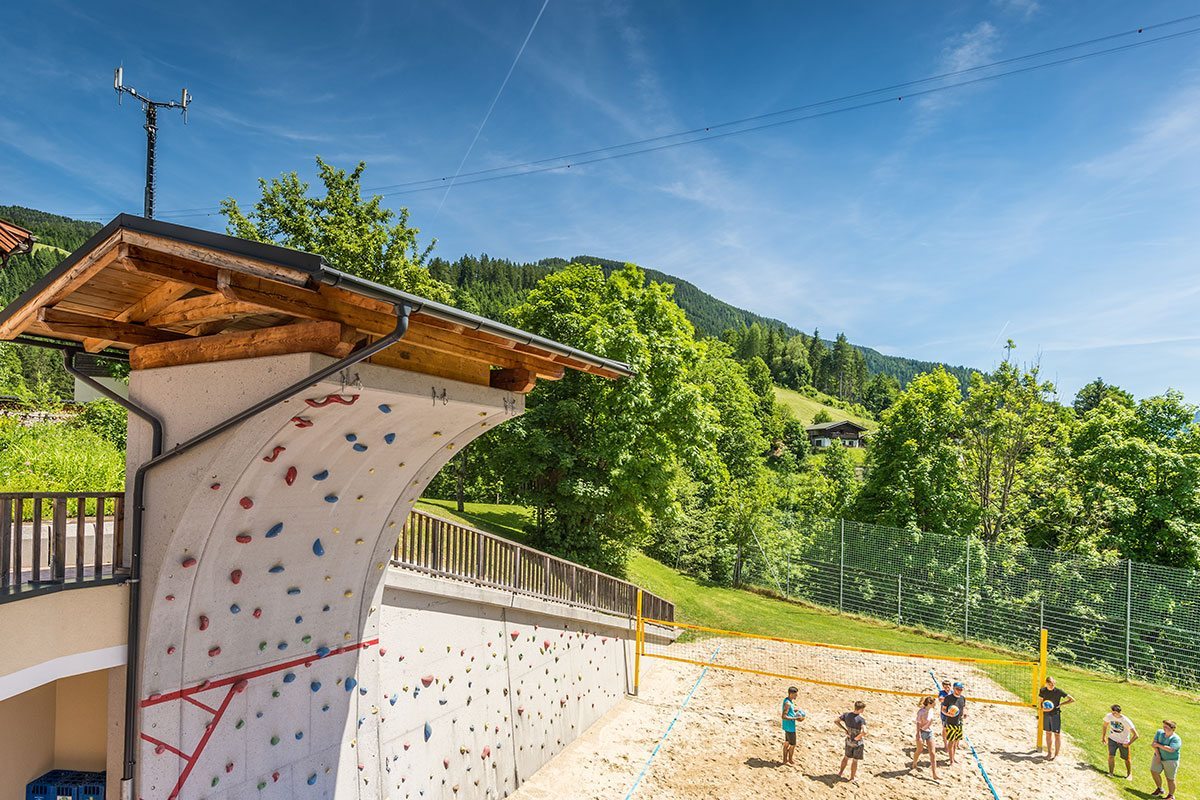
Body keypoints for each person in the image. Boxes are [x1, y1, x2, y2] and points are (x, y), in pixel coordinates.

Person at [1038, 676, 1075, 760]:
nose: (1052, 685)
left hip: (1055, 714)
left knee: (1057, 734)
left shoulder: (1058, 691)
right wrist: (1042, 708)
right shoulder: (1043, 690)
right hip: (1046, 714)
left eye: (1053, 684)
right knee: (1048, 733)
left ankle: (1056, 755)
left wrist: (1061, 704)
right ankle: (1049, 753)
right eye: (1050, 684)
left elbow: (1072, 699)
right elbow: (1040, 701)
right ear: (1046, 683)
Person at [1101, 703, 1138, 779]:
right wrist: (1103, 737)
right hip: (1112, 739)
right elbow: (1105, 725)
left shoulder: (1126, 720)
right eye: (1112, 712)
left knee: (1127, 759)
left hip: (1123, 742)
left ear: (1118, 712)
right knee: (1111, 756)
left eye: (1115, 712)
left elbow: (1136, 735)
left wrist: (1128, 743)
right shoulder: (1109, 716)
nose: (1113, 714)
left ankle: (1129, 774)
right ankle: (1110, 773)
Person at [836, 700, 868, 781]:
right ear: (860, 709)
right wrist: (859, 737)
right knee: (855, 760)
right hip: (857, 743)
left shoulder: (846, 715)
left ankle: (840, 773)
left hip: (849, 740)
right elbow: (865, 731)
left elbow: (836, 721)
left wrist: (845, 730)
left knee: (846, 757)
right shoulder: (861, 719)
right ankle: (852, 777)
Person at [911, 696, 940, 781]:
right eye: (934, 703)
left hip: (929, 732)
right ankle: (914, 763)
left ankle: (934, 774)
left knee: (933, 753)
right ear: (929, 704)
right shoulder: (921, 712)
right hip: (921, 732)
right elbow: (918, 724)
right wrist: (918, 735)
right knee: (919, 750)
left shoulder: (931, 710)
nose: (935, 704)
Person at [1150, 719, 1181, 799]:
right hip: (1158, 756)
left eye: (1166, 727)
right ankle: (1160, 789)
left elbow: (1171, 749)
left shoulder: (1176, 739)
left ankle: (1171, 796)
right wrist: (1158, 755)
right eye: (1164, 726)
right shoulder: (1159, 732)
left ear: (1172, 729)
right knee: (1154, 771)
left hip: (1171, 760)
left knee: (1170, 778)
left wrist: (1158, 745)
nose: (1164, 728)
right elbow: (1154, 744)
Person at [941, 681, 967, 766]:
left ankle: (953, 757)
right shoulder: (948, 698)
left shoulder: (962, 698)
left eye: (961, 689)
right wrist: (947, 714)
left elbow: (963, 708)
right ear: (954, 688)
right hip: (951, 723)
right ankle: (951, 761)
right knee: (951, 742)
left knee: (956, 742)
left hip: (959, 723)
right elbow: (943, 709)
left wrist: (965, 714)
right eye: (958, 689)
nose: (959, 690)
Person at [781, 686, 803, 765]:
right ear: (791, 694)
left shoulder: (788, 700)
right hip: (790, 727)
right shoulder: (788, 703)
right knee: (793, 745)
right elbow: (783, 716)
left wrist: (794, 710)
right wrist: (795, 717)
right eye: (795, 694)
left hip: (787, 726)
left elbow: (789, 711)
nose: (796, 696)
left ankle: (784, 760)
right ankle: (790, 760)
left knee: (787, 742)